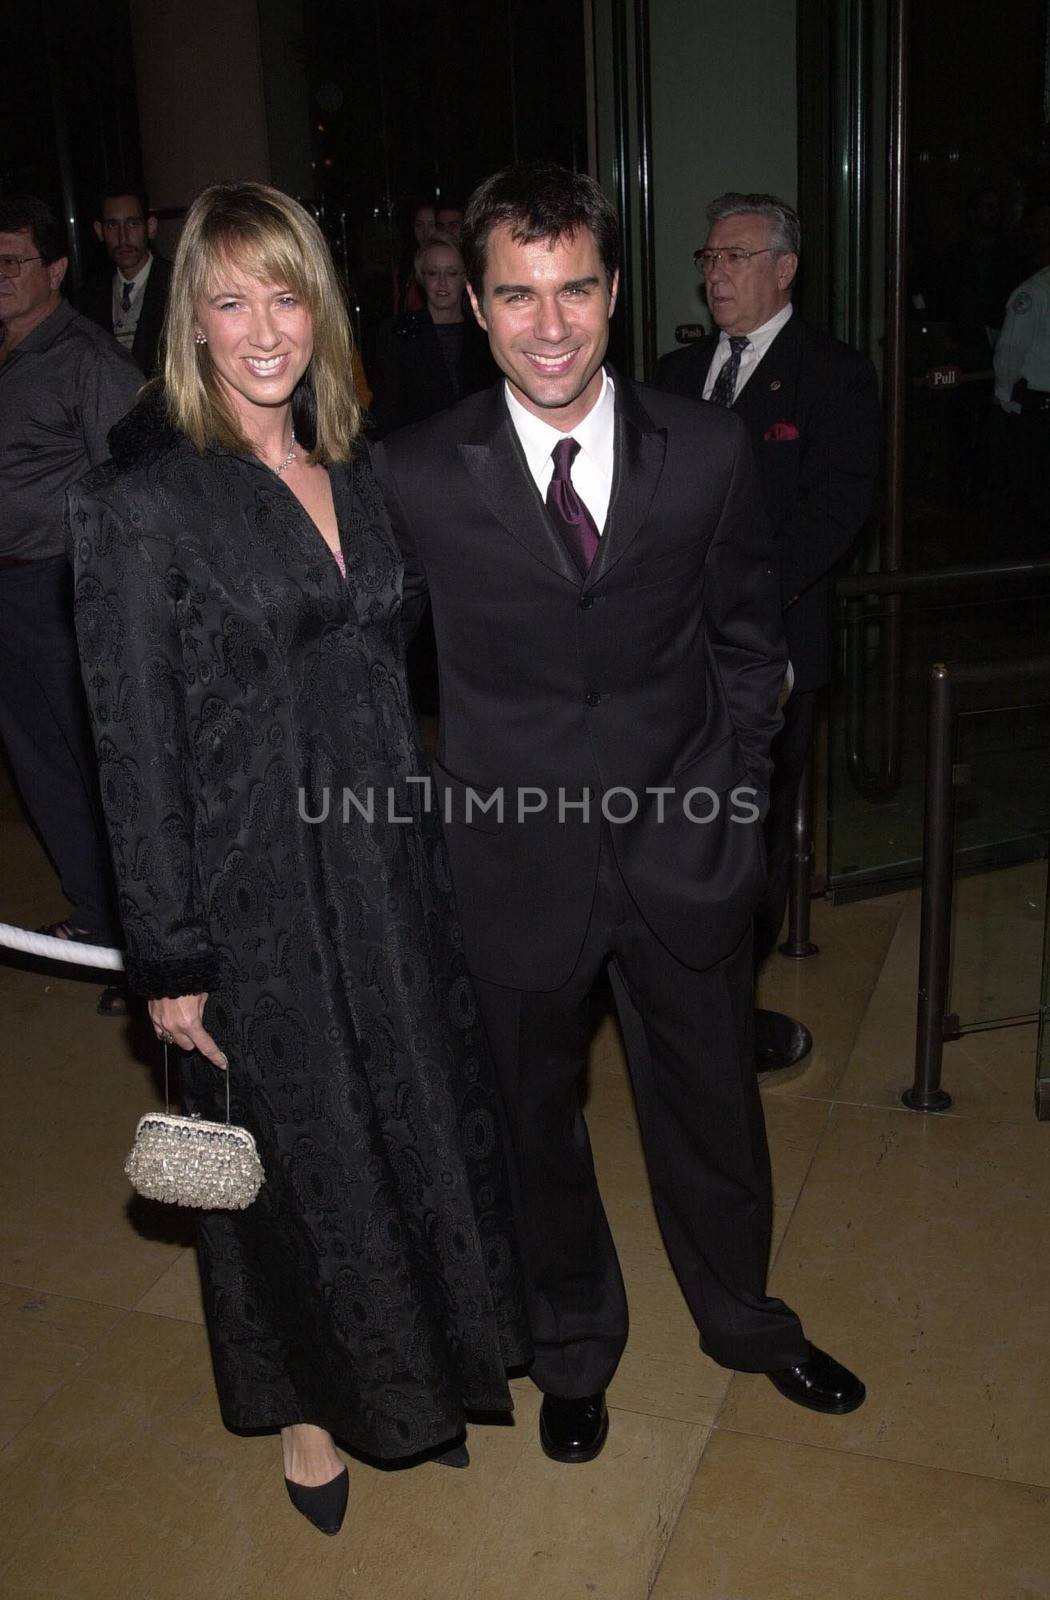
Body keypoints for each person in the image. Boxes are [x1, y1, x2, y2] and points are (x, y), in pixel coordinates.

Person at [372, 162, 865, 1469]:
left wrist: (736, 803)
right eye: (516, 295)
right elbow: (358, 670)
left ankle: (745, 1325)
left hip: (684, 851)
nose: (549, 324)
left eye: (575, 287)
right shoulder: (416, 473)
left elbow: (747, 641)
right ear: (475, 308)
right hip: (513, 872)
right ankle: (572, 1351)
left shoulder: (700, 450)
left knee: (713, 1115)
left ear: (610, 289)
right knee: (536, 1128)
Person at [68, 181, 530, 1536]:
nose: (262, 329)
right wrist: (169, 955)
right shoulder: (139, 506)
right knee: (298, 1161)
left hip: (389, 872)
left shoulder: (358, 469)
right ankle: (312, 1414)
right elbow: (130, 751)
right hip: (256, 894)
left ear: (320, 310)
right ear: (189, 325)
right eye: (228, 300)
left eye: (285, 295)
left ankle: (425, 1377)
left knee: (409, 1127)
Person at [656, 192, 880, 1074]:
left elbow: (837, 508)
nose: (716, 274)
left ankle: (730, 1016)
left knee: (750, 839)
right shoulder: (673, 376)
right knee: (674, 830)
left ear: (785, 269)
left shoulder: (831, 372)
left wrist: (738, 602)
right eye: (709, 258)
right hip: (670, 653)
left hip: (770, 652)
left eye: (735, 257)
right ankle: (675, 994)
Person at [0, 193, 140, 1015]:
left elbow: (134, 488)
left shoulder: (89, 361)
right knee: (39, 766)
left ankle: (140, 943)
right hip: (8, 589)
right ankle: (94, 918)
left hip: (62, 588)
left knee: (101, 768)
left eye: (12, 262)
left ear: (54, 268)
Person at [371, 231, 496, 435]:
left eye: (452, 273)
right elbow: (387, 412)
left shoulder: (484, 334)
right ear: (422, 277)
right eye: (433, 273)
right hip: (416, 452)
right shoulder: (397, 334)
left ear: (464, 277)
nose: (442, 283)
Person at [76, 183, 171, 376]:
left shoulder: (177, 284)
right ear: (100, 231)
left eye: (133, 223)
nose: (123, 237)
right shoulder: (89, 296)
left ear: (150, 227)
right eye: (112, 225)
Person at [993, 237, 1050, 545]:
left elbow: (1011, 349)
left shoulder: (1034, 291)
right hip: (1038, 405)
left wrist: (1003, 393)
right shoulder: (1036, 290)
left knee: (1030, 496)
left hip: (1038, 412)